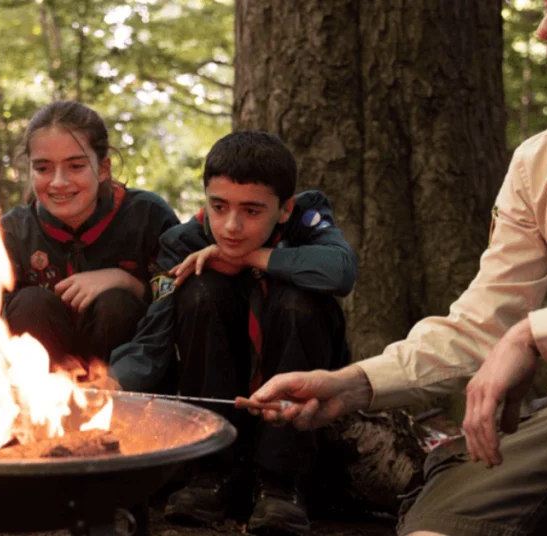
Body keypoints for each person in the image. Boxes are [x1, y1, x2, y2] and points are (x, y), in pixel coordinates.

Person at [248, 3, 547, 535]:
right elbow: (483, 322)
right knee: (442, 507)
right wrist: (348, 385)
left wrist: (533, 335)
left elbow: (520, 332)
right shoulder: (539, 162)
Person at [104, 131, 358, 535]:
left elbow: (340, 272)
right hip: (225, 386)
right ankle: (210, 474)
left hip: (301, 394)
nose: (231, 226)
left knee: (299, 299)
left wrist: (249, 257)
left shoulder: (308, 221)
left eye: (252, 211)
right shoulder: (181, 244)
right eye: (218, 206)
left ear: (285, 208)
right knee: (200, 291)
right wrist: (109, 384)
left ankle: (280, 483)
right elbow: (153, 338)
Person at [0, 101, 181, 373]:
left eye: (75, 166)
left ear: (104, 168)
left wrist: (128, 283)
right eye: (43, 168)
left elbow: (175, 306)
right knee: (29, 303)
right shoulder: (13, 232)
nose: (59, 182)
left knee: (115, 302)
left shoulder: (148, 217)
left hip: (131, 387)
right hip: (43, 391)